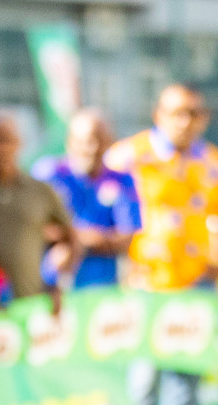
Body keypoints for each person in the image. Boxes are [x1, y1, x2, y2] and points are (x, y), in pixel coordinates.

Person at [106, 83, 218, 405]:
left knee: (185, 387)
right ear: (158, 113)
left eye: (195, 114)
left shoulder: (214, 162)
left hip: (195, 286)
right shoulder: (130, 156)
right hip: (145, 286)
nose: (187, 122)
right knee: (142, 383)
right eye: (178, 112)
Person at [0, 111, 78, 298]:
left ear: (19, 144)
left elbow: (71, 238)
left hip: (30, 302)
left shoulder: (41, 191)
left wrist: (58, 280)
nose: (0, 148)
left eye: (6, 140)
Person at [33, 108, 141, 290]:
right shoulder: (48, 174)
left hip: (103, 289)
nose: (91, 148)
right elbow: (33, 226)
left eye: (99, 140)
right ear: (69, 142)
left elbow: (127, 238)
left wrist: (72, 239)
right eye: (84, 141)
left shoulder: (123, 181)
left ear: (110, 142)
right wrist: (99, 238)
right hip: (49, 285)